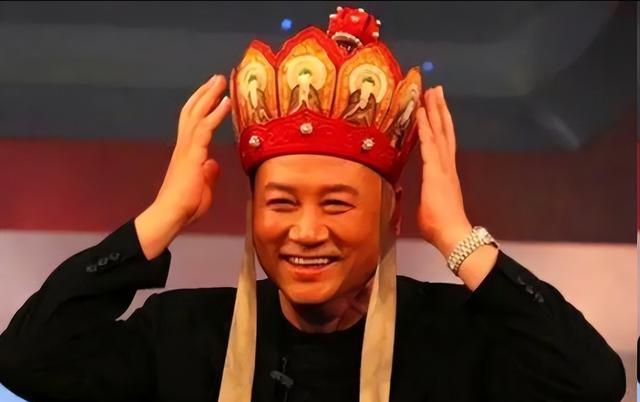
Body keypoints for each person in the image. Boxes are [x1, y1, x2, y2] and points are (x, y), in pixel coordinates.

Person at [0, 6, 626, 402]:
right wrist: (161, 218)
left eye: (336, 204)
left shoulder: (457, 337)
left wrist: (459, 236)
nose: (304, 231)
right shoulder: (183, 334)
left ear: (392, 213)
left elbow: (591, 382)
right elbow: (27, 361)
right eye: (280, 203)